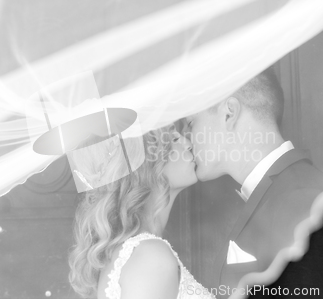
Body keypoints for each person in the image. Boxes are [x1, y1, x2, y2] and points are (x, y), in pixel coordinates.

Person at [185, 67, 323, 298]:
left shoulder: (303, 203)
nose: (188, 140)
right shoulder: (283, 194)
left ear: (229, 113)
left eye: (191, 124)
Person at [68, 125, 215, 299]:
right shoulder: (151, 257)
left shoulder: (134, 253)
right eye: (174, 139)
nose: (188, 143)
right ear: (147, 164)